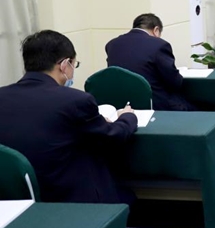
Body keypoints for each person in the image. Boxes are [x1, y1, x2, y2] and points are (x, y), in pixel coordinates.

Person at [0, 31, 138, 204]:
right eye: (74, 64)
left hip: (14, 201)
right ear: (65, 64)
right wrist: (127, 117)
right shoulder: (76, 100)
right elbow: (111, 137)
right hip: (68, 199)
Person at [106, 13, 196, 111]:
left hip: (123, 106)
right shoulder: (159, 45)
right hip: (156, 105)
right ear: (156, 30)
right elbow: (174, 82)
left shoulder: (112, 44)